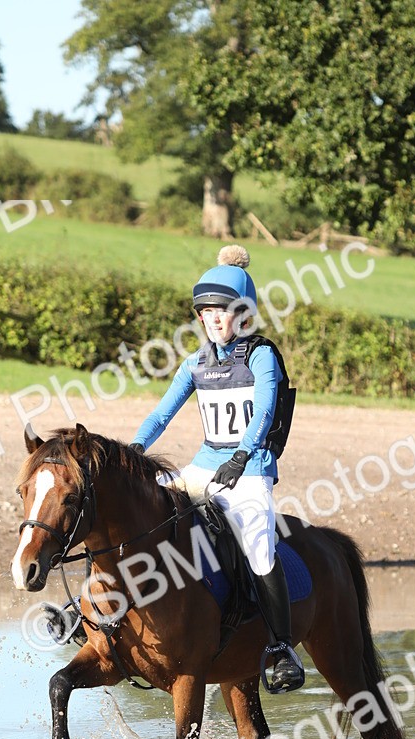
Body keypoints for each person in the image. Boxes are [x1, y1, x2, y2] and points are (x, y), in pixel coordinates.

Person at [130, 245, 305, 693]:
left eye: (220, 311)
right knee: (148, 513)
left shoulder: (261, 355)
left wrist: (243, 457)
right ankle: (102, 611)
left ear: (242, 314)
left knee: (261, 546)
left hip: (250, 468)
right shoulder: (196, 363)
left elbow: (264, 414)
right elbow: (161, 414)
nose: (212, 319)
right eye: (205, 312)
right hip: (207, 463)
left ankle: (282, 648)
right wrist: (133, 449)